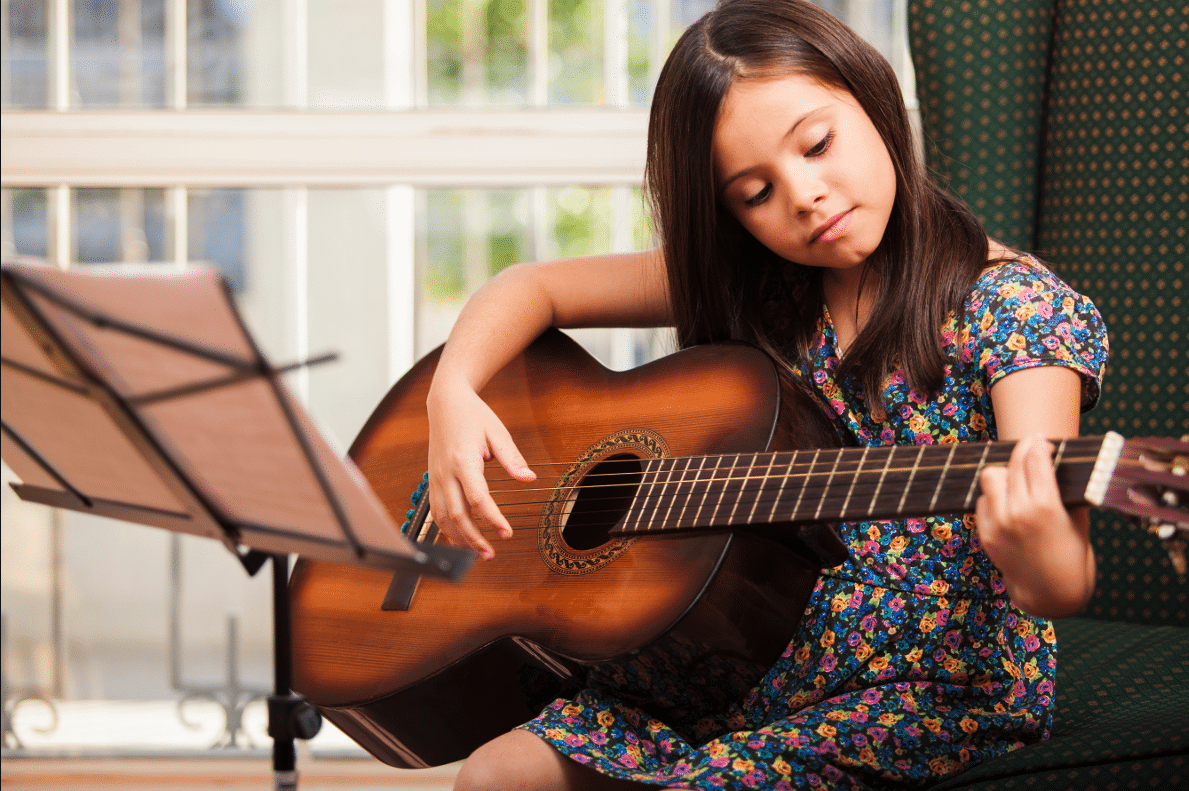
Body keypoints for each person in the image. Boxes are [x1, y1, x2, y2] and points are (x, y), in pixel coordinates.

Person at [425, 0, 1108, 788]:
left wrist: (1041, 554)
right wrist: (455, 389)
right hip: (742, 648)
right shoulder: (764, 286)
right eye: (755, 193)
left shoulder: (1014, 310)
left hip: (927, 687)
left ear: (872, 97)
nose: (805, 195)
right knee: (495, 773)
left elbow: (1058, 579)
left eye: (817, 144)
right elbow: (531, 286)